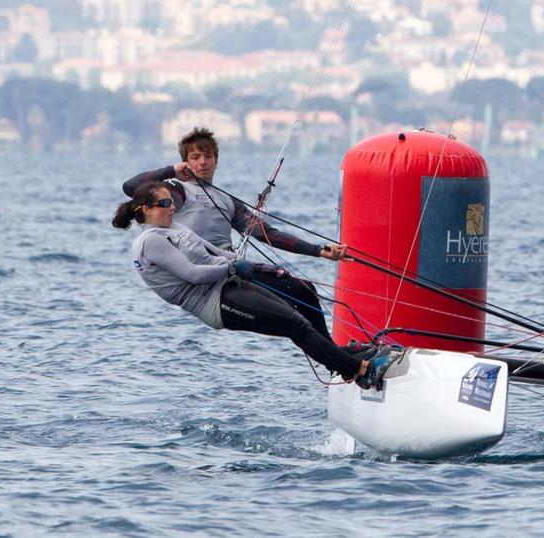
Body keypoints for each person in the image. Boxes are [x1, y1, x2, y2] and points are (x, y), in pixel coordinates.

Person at [112, 181, 393, 389]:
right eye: (164, 203)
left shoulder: (173, 227)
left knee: (300, 294)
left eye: (171, 201)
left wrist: (255, 267)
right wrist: (232, 267)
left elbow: (212, 252)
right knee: (293, 323)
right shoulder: (150, 242)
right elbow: (193, 274)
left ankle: (338, 357)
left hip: (227, 283)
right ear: (146, 210)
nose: (172, 206)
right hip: (214, 303)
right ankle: (358, 370)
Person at [122, 127, 342, 341]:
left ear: (216, 160)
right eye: (195, 157)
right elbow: (131, 188)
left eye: (208, 156)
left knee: (304, 291)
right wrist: (171, 170)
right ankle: (341, 361)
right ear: (185, 162)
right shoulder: (177, 193)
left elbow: (266, 233)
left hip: (232, 268)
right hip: (208, 280)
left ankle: (337, 356)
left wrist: (318, 250)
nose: (202, 162)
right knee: (290, 317)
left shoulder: (227, 201)